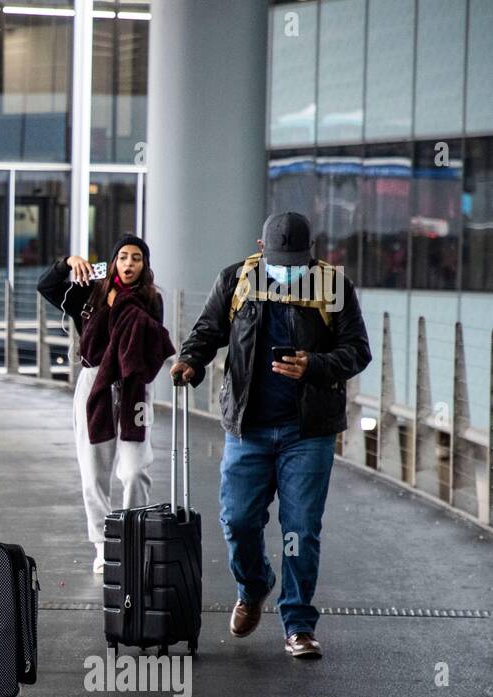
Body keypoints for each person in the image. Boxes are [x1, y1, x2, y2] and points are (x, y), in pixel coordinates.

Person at [170, 211, 371, 659]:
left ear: (311, 253)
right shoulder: (235, 280)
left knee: (300, 529)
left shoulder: (334, 287)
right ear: (260, 249)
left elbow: (358, 350)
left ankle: (298, 623)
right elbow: (208, 332)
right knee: (238, 521)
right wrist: (190, 360)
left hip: (308, 432)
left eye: (297, 262)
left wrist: (314, 365)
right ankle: (254, 585)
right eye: (281, 261)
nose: (290, 270)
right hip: (248, 428)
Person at [38, 234, 169, 573]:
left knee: (136, 468)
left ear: (145, 264)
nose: (129, 264)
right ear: (113, 261)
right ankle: (103, 544)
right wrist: (68, 263)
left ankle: (131, 536)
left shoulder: (151, 299)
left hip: (134, 387)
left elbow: (155, 343)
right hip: (93, 382)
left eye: (136, 258)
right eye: (123, 256)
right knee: (94, 471)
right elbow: (47, 286)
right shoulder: (89, 292)